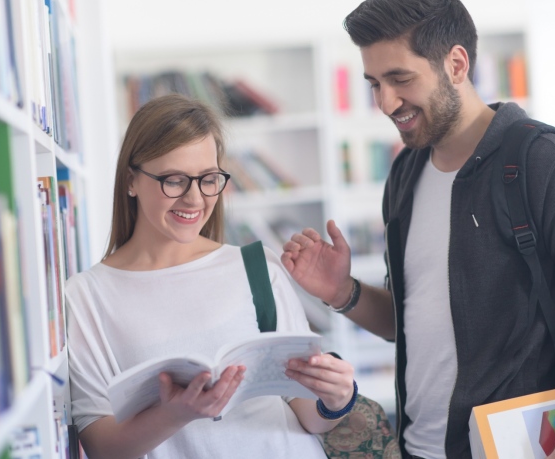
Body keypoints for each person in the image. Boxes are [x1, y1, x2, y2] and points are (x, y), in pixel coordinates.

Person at [281, 0, 555, 458]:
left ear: (456, 64)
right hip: (422, 447)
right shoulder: (405, 172)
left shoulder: (543, 159)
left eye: (400, 79)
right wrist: (342, 292)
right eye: (374, 84)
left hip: (528, 447)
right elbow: (409, 323)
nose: (386, 102)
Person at [65, 94, 356, 459]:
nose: (194, 199)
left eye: (208, 179)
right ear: (131, 181)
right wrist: (175, 415)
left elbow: (309, 416)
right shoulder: (87, 296)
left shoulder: (257, 267)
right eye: (174, 180)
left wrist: (335, 398)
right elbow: (101, 447)